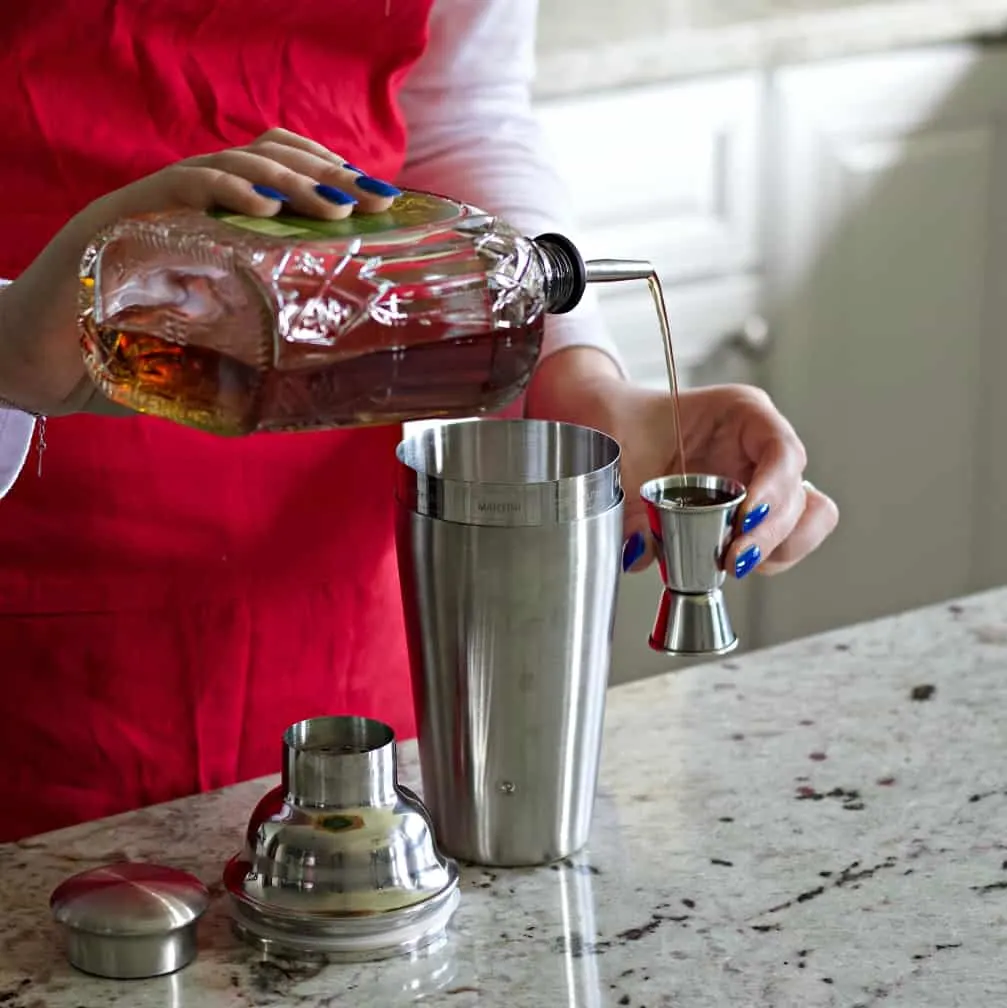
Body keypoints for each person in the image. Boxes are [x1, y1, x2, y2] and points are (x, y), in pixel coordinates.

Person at [0, 0, 838, 842]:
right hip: (41, 484)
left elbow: (460, 113)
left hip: (342, 496)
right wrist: (10, 351)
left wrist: (579, 374)